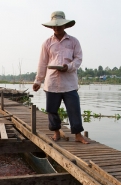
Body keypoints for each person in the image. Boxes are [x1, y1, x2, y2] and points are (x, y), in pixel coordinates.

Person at [33, 11, 89, 144]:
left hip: (69, 83)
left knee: (74, 109)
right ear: (52, 27)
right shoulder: (47, 43)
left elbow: (78, 59)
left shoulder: (74, 42)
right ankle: (56, 132)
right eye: (54, 26)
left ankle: (78, 135)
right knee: (52, 110)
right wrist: (38, 81)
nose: (56, 28)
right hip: (52, 82)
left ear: (65, 26)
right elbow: (42, 63)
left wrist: (68, 67)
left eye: (59, 26)